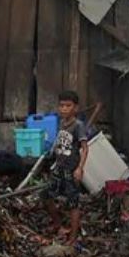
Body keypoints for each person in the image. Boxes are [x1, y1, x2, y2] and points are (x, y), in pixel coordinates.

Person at [45, 90, 90, 242]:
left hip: (71, 169)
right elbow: (59, 142)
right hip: (59, 167)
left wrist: (80, 168)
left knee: (73, 203)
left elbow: (85, 148)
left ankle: (73, 236)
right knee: (46, 195)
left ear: (75, 108)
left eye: (68, 106)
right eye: (61, 105)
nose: (64, 109)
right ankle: (58, 224)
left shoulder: (78, 126)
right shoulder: (61, 123)